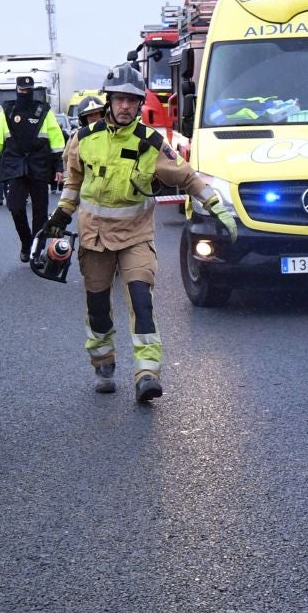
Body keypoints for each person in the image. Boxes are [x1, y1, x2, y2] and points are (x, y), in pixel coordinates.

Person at [45, 63, 239, 402]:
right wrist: (61, 214)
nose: (124, 106)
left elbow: (187, 177)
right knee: (98, 306)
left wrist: (216, 205)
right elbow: (74, 182)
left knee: (141, 301)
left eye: (132, 101)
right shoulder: (84, 140)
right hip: (95, 239)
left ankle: (147, 373)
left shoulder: (151, 143)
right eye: (119, 99)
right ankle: (103, 362)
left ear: (139, 105)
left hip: (136, 237)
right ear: (109, 102)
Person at [0, 74, 64, 262]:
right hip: (15, 167)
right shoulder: (5, 113)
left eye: (28, 90)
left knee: (40, 212)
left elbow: (57, 142)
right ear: (17, 90)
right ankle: (27, 242)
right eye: (22, 90)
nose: (25, 93)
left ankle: (36, 250)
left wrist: (59, 167)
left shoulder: (44, 112)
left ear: (32, 91)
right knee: (15, 207)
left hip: (39, 165)